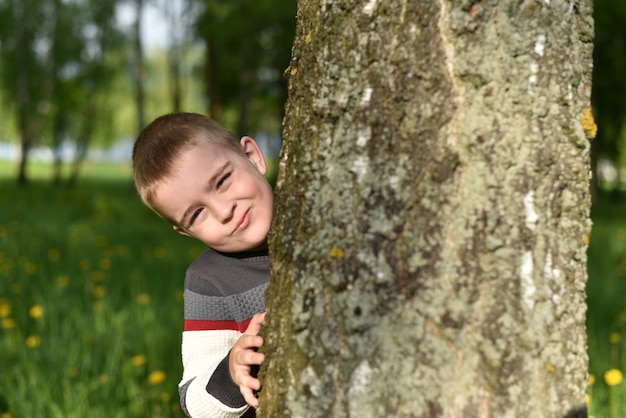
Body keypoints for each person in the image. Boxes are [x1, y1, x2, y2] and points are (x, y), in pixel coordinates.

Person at [132, 112, 273, 417]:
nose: (224, 211)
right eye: (197, 215)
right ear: (186, 232)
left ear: (252, 156)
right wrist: (231, 372)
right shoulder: (209, 281)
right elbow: (192, 402)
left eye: (222, 181)